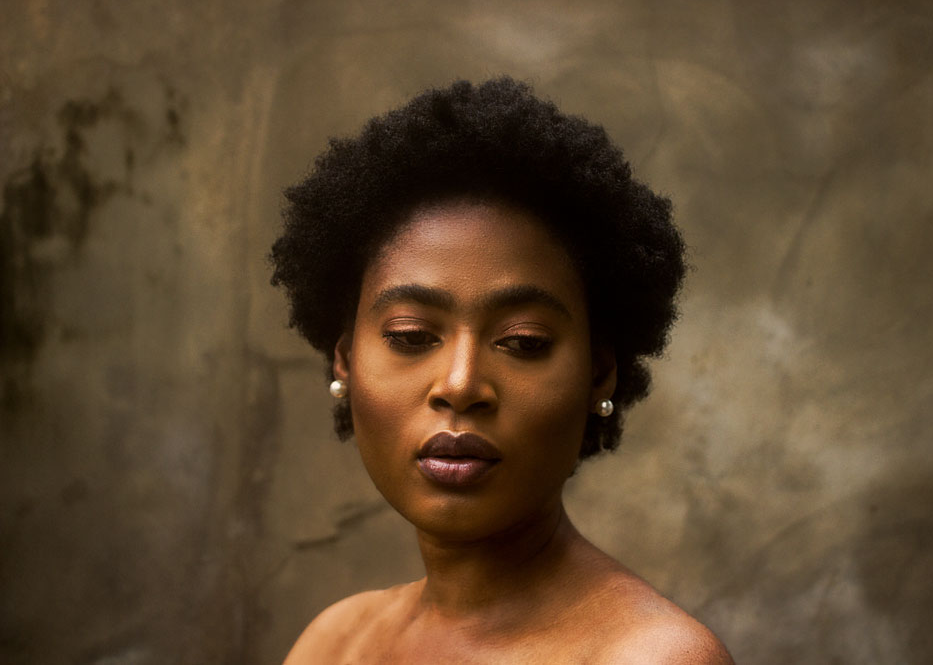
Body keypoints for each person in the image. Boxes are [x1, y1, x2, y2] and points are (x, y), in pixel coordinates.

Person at [270, 77, 733, 663]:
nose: (460, 384)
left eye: (523, 342)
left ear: (598, 375)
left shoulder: (650, 657)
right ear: (345, 362)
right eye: (411, 336)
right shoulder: (335, 643)